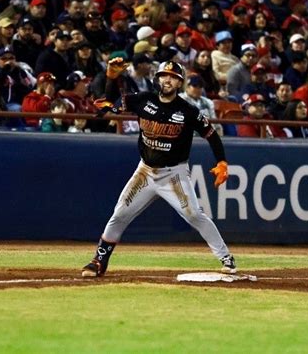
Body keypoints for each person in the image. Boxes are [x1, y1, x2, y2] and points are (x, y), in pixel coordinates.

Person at [81, 58, 236, 277]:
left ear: (179, 83)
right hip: (145, 171)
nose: (168, 81)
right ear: (157, 78)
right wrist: (111, 78)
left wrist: (221, 161)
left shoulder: (188, 110)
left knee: (194, 215)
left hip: (174, 173)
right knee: (119, 214)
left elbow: (211, 135)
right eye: (164, 76)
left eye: (173, 78)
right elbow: (106, 106)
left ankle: (226, 257)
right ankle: (99, 261)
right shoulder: (143, 100)